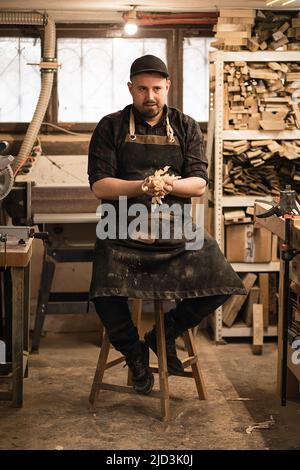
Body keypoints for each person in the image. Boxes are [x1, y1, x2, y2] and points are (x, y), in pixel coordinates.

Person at [88, 55, 246, 395]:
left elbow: (200, 185)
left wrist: (167, 185)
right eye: (142, 89)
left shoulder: (186, 126)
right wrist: (142, 186)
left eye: (157, 89)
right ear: (131, 88)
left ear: (168, 87)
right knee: (103, 288)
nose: (150, 96)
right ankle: (135, 353)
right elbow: (100, 186)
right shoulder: (110, 126)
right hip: (121, 224)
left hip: (175, 225)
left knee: (222, 280)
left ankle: (165, 331)